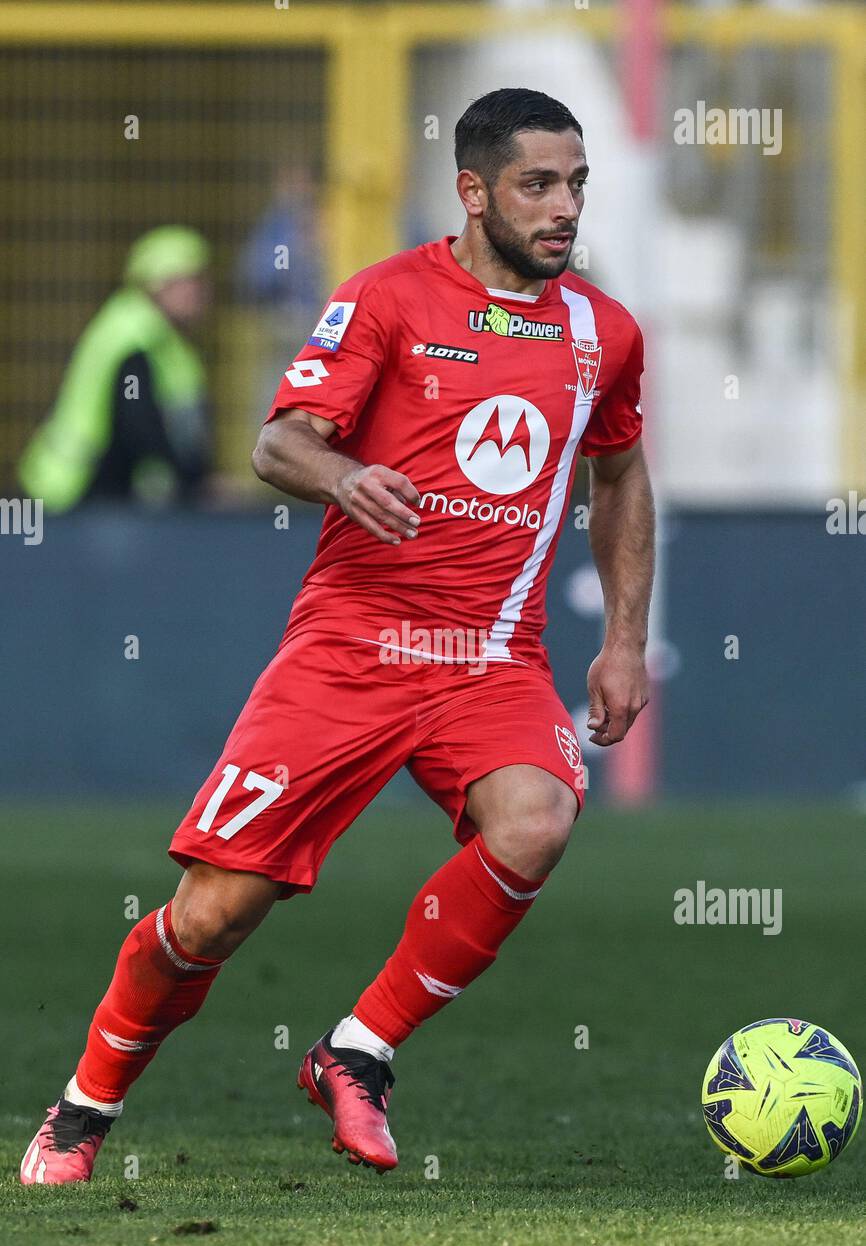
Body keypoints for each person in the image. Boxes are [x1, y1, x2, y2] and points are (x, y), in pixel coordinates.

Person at [20, 88, 654, 1184]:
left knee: (537, 818)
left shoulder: (604, 332)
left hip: (491, 655)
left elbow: (622, 473)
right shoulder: (385, 298)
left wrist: (625, 640)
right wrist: (346, 475)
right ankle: (84, 1106)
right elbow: (278, 444)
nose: (564, 208)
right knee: (214, 915)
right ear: (473, 192)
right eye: (538, 185)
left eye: (576, 184)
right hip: (352, 645)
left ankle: (356, 1050)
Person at [18, 226, 212, 510]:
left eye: (201, 281)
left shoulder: (162, 338)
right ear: (157, 286)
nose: (199, 292)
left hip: (94, 490)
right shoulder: (134, 335)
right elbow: (137, 422)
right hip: (74, 490)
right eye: (187, 282)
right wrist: (192, 486)